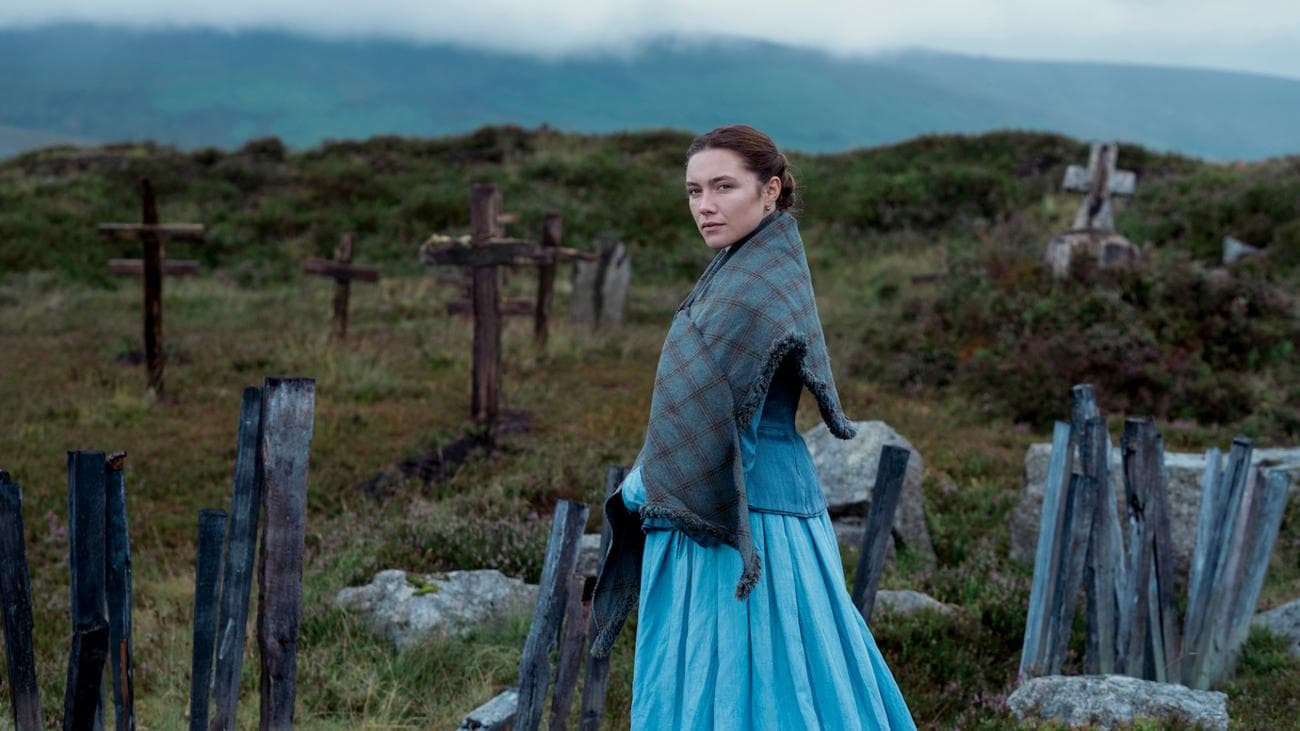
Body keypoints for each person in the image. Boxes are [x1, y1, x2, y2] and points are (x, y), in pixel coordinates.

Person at [589, 124, 915, 729]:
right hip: (752, 509)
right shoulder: (753, 266)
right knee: (792, 679)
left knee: (750, 685)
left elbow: (712, 419)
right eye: (693, 191)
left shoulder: (749, 288)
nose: (705, 206)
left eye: (723, 187)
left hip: (741, 521)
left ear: (769, 191)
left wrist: (640, 488)